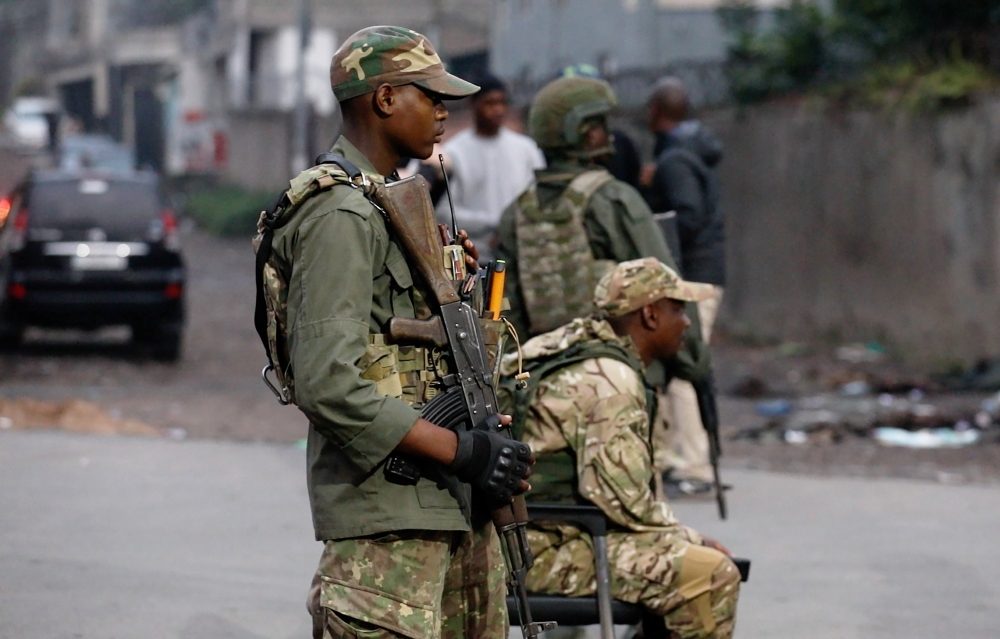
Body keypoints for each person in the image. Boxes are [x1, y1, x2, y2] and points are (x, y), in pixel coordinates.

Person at [263, 26, 532, 639]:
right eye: (430, 96)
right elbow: (328, 383)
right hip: (387, 529)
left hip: (450, 508)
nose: (444, 112)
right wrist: (461, 451)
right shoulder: (338, 213)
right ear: (384, 99)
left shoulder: (388, 204)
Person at [500, 257, 740, 639]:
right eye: (678, 309)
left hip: (521, 538)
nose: (687, 322)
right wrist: (693, 540)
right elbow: (624, 502)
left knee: (692, 562)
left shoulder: (573, 345)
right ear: (649, 315)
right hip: (541, 551)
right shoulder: (611, 381)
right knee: (710, 575)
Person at [495, 76, 712, 494]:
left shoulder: (517, 212)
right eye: (597, 124)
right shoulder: (614, 200)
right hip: (622, 383)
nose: (606, 133)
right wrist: (694, 362)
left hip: (548, 391)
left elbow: (507, 311)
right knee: (634, 504)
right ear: (579, 132)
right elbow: (664, 289)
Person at [644, 77, 727, 494]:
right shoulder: (688, 152)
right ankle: (688, 461)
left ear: (656, 112)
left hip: (692, 274)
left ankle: (693, 467)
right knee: (685, 368)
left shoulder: (676, 161)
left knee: (685, 369)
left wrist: (660, 246)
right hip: (702, 272)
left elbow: (687, 215)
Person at [435, 74, 544, 264]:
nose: (498, 110)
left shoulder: (527, 149)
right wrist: (494, 224)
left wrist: (512, 227)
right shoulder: (454, 153)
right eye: (490, 103)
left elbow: (539, 198)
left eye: (502, 102)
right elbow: (445, 212)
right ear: (473, 104)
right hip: (477, 258)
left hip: (523, 255)